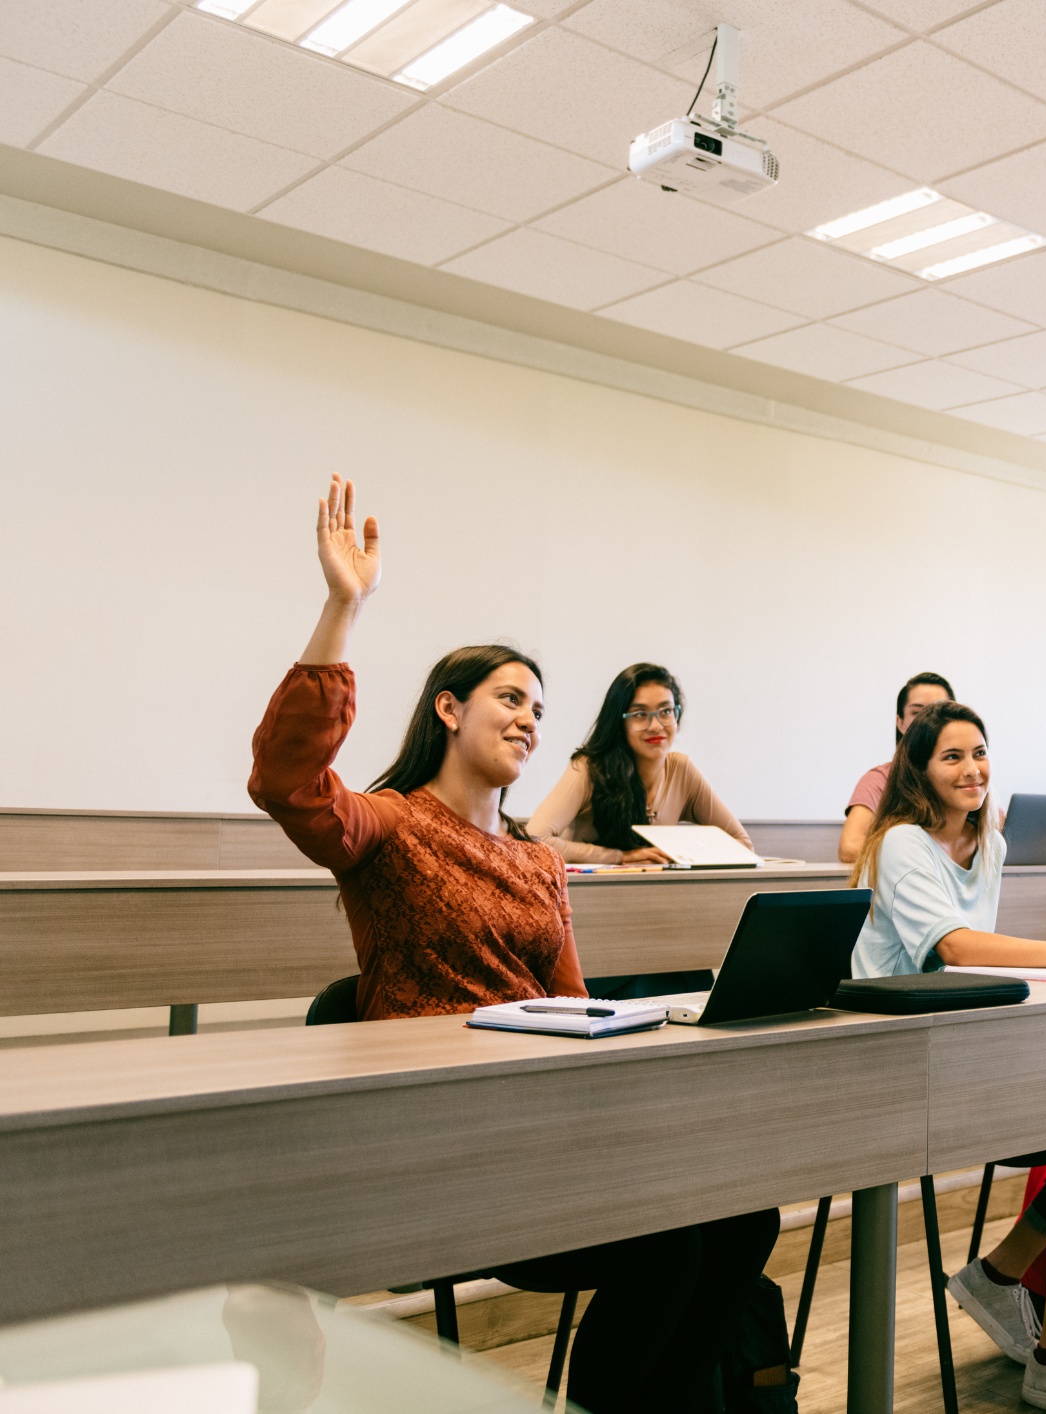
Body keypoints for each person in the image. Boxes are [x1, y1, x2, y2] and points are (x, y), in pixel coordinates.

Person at [248, 476, 780, 1414]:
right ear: (449, 710)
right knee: (670, 1246)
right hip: (448, 1141)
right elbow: (286, 780)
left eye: (540, 706)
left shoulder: (537, 864)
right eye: (510, 698)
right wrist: (344, 605)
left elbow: (574, 1010)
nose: (532, 718)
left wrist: (660, 1033)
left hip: (550, 1128)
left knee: (744, 1218)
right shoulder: (390, 826)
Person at [848, 700, 1046, 1414]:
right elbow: (953, 949)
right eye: (951, 756)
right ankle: (1041, 1334)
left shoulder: (986, 842)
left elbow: (970, 974)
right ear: (919, 772)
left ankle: (1017, 1294)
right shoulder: (900, 843)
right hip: (894, 1060)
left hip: (960, 1043)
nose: (972, 768)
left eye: (980, 753)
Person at [528, 664, 753, 866]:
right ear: (619, 723)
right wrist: (620, 856)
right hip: (590, 899)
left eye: (666, 711)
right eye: (639, 714)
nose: (656, 726)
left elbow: (742, 844)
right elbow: (534, 839)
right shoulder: (589, 768)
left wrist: (681, 852)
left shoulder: (681, 770)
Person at [838, 671, 953, 864]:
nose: (929, 722)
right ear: (900, 722)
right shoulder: (879, 779)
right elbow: (850, 847)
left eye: (940, 713)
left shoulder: (967, 777)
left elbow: (1004, 837)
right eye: (917, 712)